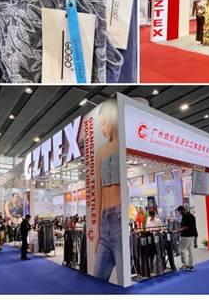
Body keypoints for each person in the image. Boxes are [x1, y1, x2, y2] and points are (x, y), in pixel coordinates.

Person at [93, 99, 122, 282]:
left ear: (113, 116)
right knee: (97, 279)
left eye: (103, 123)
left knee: (124, 279)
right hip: (104, 223)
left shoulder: (124, 145)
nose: (102, 130)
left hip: (120, 218)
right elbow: (98, 191)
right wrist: (97, 229)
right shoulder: (101, 152)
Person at [175, 205, 198, 271]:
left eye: (179, 212)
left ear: (181, 210)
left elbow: (185, 227)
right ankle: (191, 265)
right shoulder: (192, 216)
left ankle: (185, 265)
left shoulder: (185, 216)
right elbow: (194, 227)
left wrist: (176, 231)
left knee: (183, 250)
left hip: (185, 236)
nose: (179, 213)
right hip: (192, 236)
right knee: (191, 251)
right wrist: (195, 238)